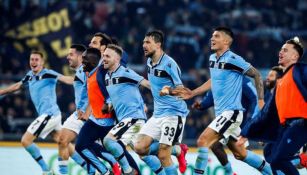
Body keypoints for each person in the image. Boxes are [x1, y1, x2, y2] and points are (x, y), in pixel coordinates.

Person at [171, 27, 272, 175]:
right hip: (222, 114)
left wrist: (261, 100)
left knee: (203, 141)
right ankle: (272, 172)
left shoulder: (233, 59)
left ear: (226, 41)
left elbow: (256, 74)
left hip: (232, 112)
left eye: (216, 36)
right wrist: (194, 92)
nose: (212, 39)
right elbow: (214, 80)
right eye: (212, 36)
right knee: (240, 154)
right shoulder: (213, 59)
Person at [0, 51, 74, 175]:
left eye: (36, 60)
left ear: (42, 62)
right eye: (31, 59)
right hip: (49, 116)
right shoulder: (29, 76)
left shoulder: (47, 73)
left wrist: (81, 79)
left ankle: (47, 170)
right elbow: (17, 85)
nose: (33, 62)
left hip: (50, 114)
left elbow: (65, 79)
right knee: (63, 142)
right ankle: (88, 167)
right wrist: (2, 92)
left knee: (25, 140)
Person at [134, 30, 189, 175]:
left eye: (148, 43)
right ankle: (178, 149)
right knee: (139, 147)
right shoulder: (149, 62)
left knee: (164, 155)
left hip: (174, 113)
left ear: (158, 45)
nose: (144, 45)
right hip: (158, 114)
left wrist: (169, 90)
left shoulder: (169, 64)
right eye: (143, 42)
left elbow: (182, 90)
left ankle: (174, 150)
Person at [257, 37, 307, 175]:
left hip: (296, 126)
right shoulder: (275, 93)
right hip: (284, 129)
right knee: (272, 156)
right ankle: (301, 159)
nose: (268, 77)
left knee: (279, 159)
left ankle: (303, 159)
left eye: (271, 75)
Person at [192, 76, 259, 175]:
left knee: (214, 144)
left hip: (238, 121)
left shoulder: (241, 80)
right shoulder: (219, 79)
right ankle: (266, 169)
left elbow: (254, 98)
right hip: (225, 119)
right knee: (235, 152)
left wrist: (250, 120)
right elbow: (211, 98)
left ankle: (230, 172)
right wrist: (201, 105)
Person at [102, 44, 151, 174]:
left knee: (108, 140)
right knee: (145, 154)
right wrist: (109, 105)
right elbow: (117, 96)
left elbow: (145, 83)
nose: (104, 59)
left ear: (117, 59)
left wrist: (166, 92)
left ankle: (128, 171)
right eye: (103, 56)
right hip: (126, 120)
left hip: (134, 118)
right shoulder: (107, 77)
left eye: (107, 56)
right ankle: (176, 151)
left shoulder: (125, 72)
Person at [57, 44, 96, 175]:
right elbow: (72, 80)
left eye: (70, 54)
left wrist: (87, 112)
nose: (67, 57)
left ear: (80, 56)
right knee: (62, 139)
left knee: (100, 150)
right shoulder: (80, 72)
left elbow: (95, 92)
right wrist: (55, 76)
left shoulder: (87, 71)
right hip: (78, 114)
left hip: (91, 115)